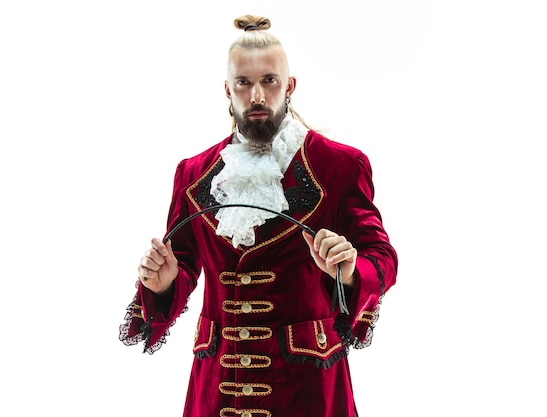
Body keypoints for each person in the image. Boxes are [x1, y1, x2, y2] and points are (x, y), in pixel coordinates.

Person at [119, 14, 398, 417]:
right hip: (217, 389)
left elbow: (382, 258)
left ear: (289, 86)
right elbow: (181, 268)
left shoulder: (341, 166)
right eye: (244, 83)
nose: (256, 96)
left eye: (269, 80)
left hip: (308, 389)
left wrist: (351, 270)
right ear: (227, 90)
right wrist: (163, 283)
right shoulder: (193, 174)